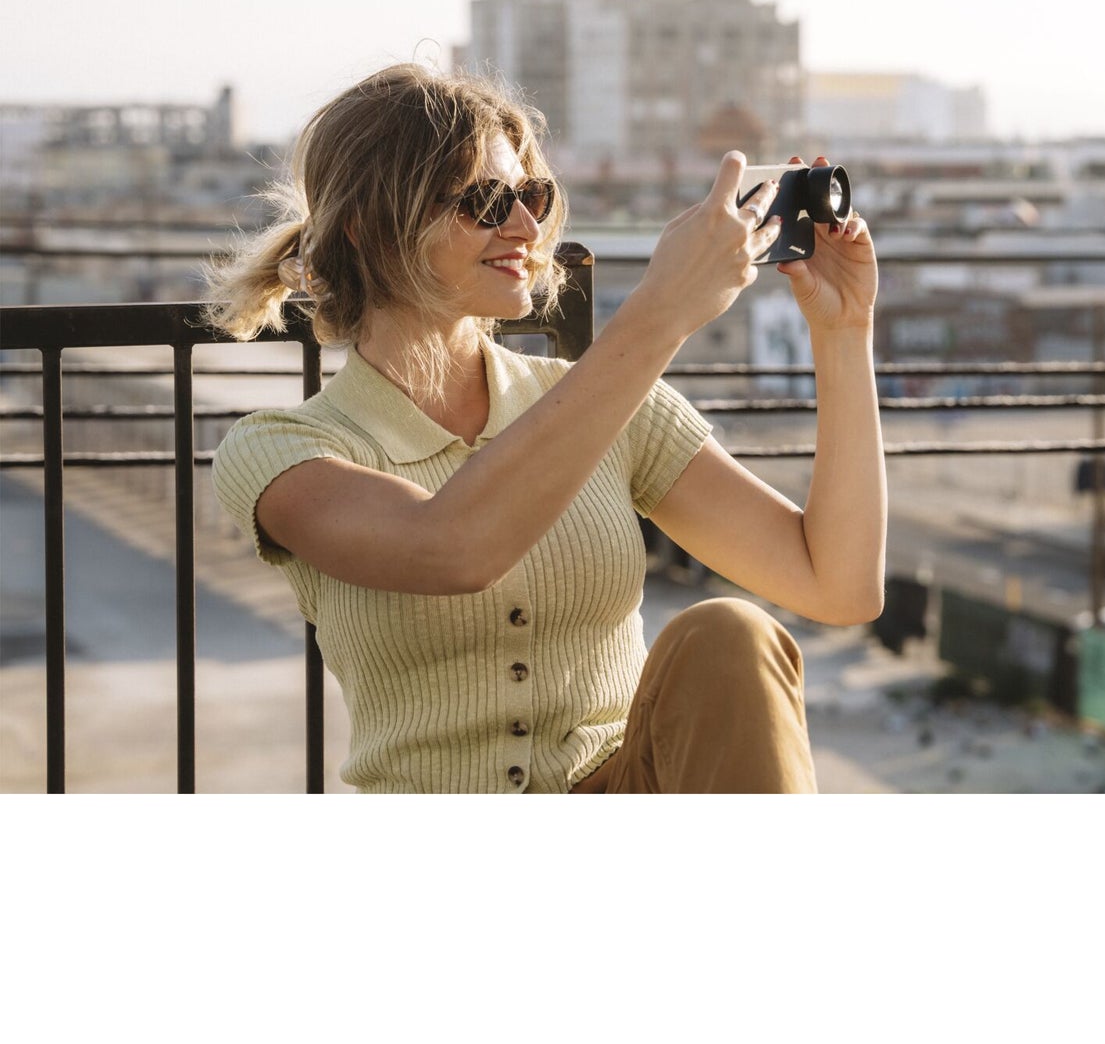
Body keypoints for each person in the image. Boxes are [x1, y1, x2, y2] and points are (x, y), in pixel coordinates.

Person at [206, 63, 886, 793]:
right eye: (488, 201)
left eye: (532, 195)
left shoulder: (605, 403)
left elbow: (837, 586)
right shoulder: (280, 451)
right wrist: (662, 311)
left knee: (731, 635)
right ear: (373, 228)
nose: (528, 228)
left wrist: (844, 333)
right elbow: (450, 549)